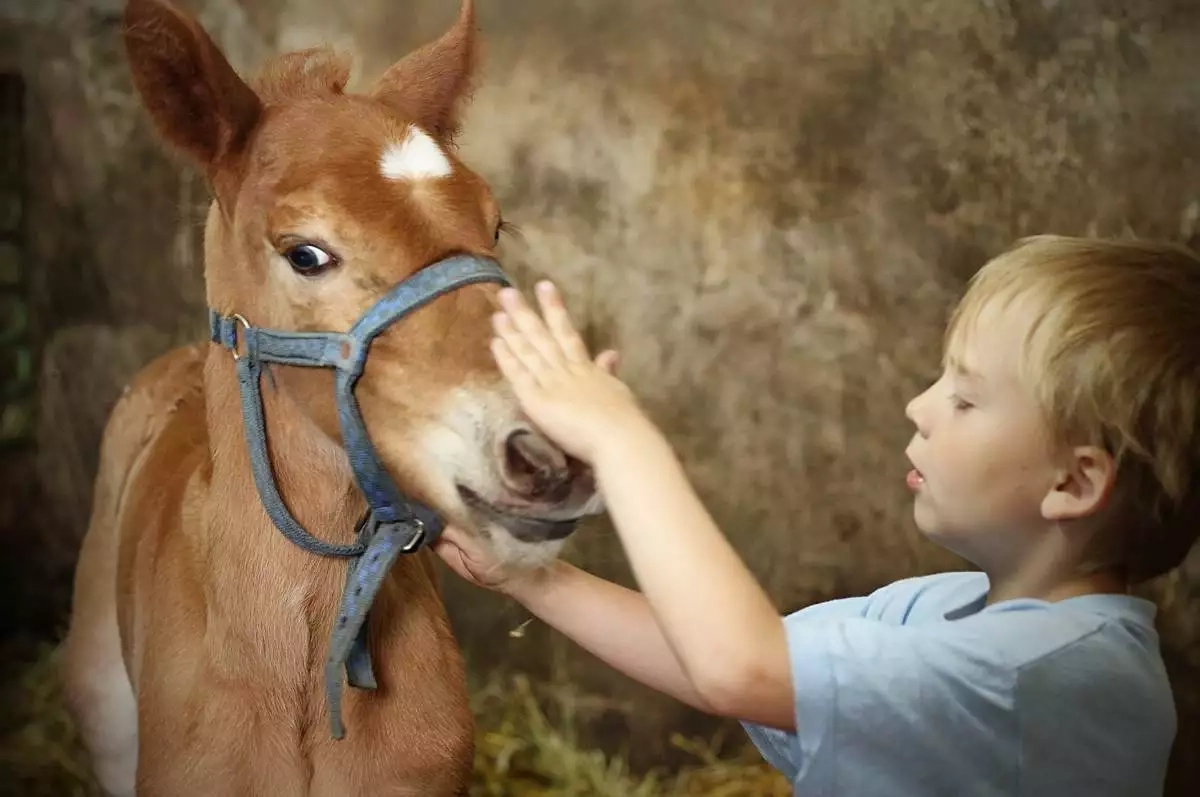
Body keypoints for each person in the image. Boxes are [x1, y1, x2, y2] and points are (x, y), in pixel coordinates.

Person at [433, 234, 1200, 796]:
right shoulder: (936, 609)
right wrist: (533, 579)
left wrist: (622, 438)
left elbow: (743, 668)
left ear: (1072, 481)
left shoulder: (1056, 677)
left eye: (965, 398)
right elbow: (711, 663)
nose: (919, 406)